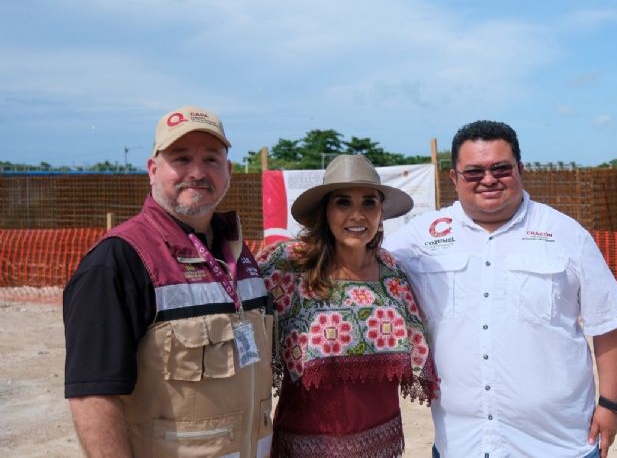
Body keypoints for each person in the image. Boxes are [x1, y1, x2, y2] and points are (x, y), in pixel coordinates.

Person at [384, 120, 617, 458]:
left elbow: (607, 324)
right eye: (473, 172)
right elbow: (361, 267)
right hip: (462, 444)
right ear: (454, 178)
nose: (488, 179)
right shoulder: (421, 237)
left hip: (559, 444)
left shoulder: (565, 234)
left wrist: (609, 404)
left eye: (500, 168)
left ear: (520, 169)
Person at [63, 106, 273, 457]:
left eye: (211, 159)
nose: (197, 172)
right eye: (181, 158)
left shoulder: (239, 254)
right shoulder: (118, 261)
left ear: (228, 171)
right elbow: (92, 396)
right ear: (153, 170)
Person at [257, 154, 437, 457]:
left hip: (381, 446)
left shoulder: (393, 273)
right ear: (325, 211)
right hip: (307, 448)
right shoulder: (287, 267)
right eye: (343, 202)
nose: (357, 215)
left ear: (381, 212)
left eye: (369, 203)